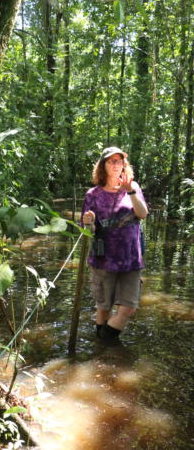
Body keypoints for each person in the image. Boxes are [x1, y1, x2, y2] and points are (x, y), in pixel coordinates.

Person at [81, 146, 148, 341]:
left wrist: (131, 192)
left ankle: (104, 340)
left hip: (131, 258)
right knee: (103, 308)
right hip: (104, 259)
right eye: (111, 161)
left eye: (119, 161)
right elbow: (87, 232)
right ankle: (103, 348)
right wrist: (89, 221)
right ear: (103, 166)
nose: (116, 164)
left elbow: (142, 214)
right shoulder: (92, 194)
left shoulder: (133, 188)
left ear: (124, 165)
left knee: (129, 307)